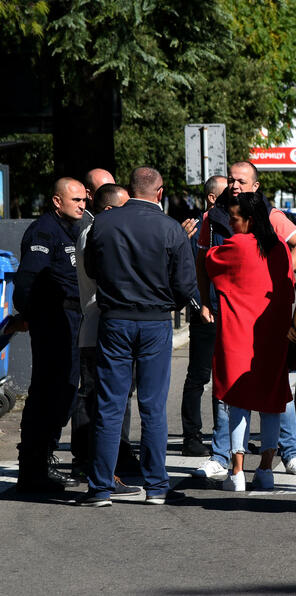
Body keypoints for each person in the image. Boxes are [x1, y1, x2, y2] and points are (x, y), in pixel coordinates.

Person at [78, 167, 198, 506]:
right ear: (159, 193)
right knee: (153, 406)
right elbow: (185, 284)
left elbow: (91, 269)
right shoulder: (170, 228)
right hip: (155, 321)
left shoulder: (101, 223)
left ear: (129, 190)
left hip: (114, 319)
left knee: (110, 404)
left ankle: (101, 487)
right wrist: (167, 305)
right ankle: (157, 485)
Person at [192, 161, 296, 479]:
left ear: (255, 186)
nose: (234, 184)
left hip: (266, 315)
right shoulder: (212, 217)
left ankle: (289, 452)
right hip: (230, 312)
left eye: (241, 180)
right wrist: (206, 301)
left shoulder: (271, 216)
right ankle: (222, 456)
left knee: (274, 389)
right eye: (231, 179)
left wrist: (272, 273)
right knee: (229, 388)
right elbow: (202, 261)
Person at [206, 191, 296, 491]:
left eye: (234, 218)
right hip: (272, 335)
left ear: (249, 220)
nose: (231, 224)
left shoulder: (237, 245)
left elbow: (208, 261)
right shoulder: (281, 247)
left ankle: (237, 471)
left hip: (240, 335)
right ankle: (266, 469)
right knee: (271, 404)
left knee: (239, 401)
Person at [13, 177, 86, 493]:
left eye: (84, 199)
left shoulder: (71, 229)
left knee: (63, 391)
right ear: (57, 201)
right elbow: (28, 280)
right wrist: (30, 315)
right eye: (76, 200)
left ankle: (41, 463)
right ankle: (33, 470)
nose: (82, 205)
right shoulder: (44, 232)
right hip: (54, 321)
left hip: (70, 319)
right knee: (48, 393)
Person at [70, 183, 140, 497]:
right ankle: (102, 471)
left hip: (98, 329)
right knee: (103, 404)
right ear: (109, 210)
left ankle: (102, 466)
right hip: (100, 329)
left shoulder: (97, 232)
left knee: (106, 401)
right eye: (125, 209)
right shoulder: (97, 234)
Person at [178, 175, 227, 457]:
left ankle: (226, 434)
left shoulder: (232, 224)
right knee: (198, 377)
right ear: (211, 198)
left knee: (227, 377)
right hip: (205, 313)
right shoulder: (195, 229)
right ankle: (191, 437)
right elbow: (186, 272)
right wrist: (199, 305)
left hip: (230, 313)